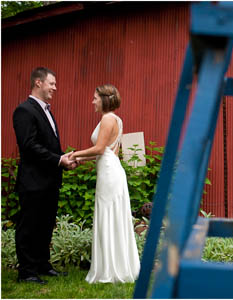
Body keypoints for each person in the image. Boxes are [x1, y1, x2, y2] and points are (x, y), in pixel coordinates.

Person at [66, 84, 140, 283]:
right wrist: (82, 159)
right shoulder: (117, 119)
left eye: (95, 98)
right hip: (111, 168)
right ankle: (117, 265)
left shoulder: (107, 118)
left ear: (104, 99)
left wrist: (74, 154)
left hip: (109, 173)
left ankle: (109, 270)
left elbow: (99, 149)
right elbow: (106, 151)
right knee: (112, 217)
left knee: (109, 216)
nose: (93, 101)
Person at [12, 67, 76, 284]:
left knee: (46, 225)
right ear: (38, 83)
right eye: (52, 83)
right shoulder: (24, 111)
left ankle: (42, 264)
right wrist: (59, 159)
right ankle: (27, 272)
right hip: (32, 181)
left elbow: (49, 144)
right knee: (29, 226)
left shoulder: (47, 110)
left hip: (50, 181)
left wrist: (63, 160)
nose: (55, 88)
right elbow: (29, 145)